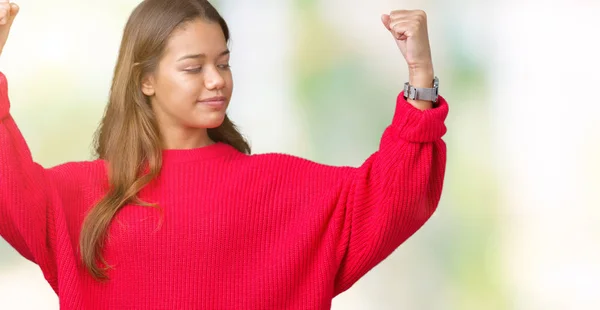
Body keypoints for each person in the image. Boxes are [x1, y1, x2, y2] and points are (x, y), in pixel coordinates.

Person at [0, 0, 448, 309]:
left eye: (224, 63)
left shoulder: (279, 185)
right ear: (145, 80)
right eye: (194, 67)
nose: (216, 80)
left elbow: (395, 194)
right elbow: (9, 184)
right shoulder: (81, 194)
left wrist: (420, 74)